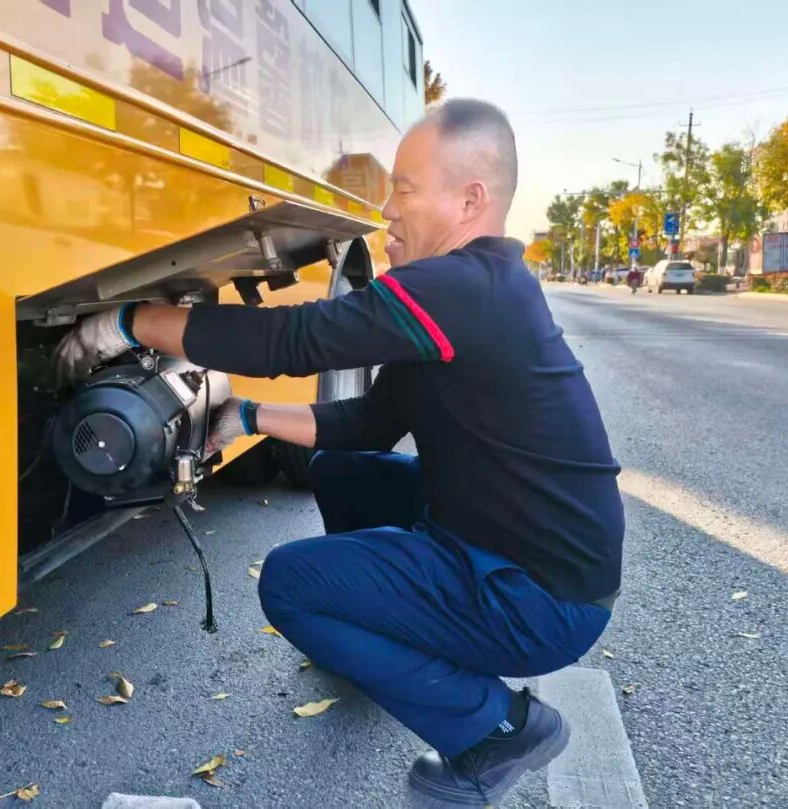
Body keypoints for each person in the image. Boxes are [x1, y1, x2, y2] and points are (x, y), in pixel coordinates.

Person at [54, 99, 624, 808]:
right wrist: (246, 417)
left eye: (407, 189)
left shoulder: (462, 287)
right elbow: (372, 423)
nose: (386, 208)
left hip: (538, 598)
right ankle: (378, 631)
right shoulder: (474, 293)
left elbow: (293, 340)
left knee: (290, 582)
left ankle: (496, 729)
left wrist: (129, 320)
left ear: (471, 199)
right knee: (344, 469)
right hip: (530, 557)